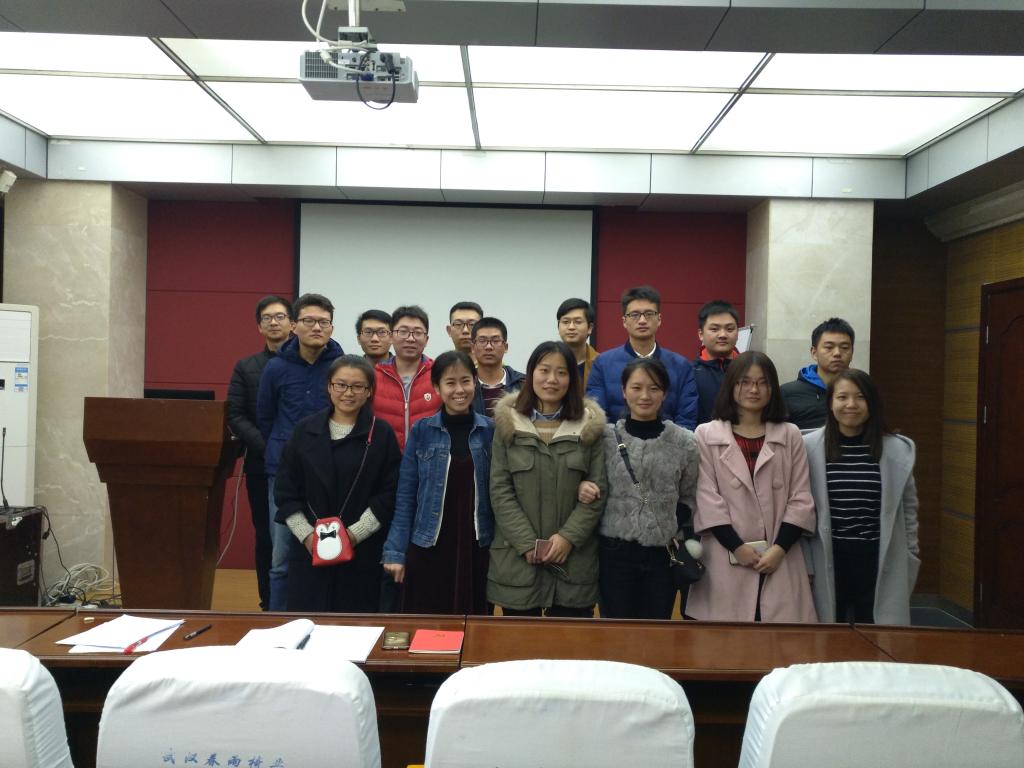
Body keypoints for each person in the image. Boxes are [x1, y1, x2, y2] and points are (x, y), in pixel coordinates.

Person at [686, 350, 817, 623]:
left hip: (780, 556)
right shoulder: (706, 435)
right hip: (725, 556)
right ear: (731, 385)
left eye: (762, 382)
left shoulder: (790, 434)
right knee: (724, 641)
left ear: (773, 388)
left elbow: (801, 498)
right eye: (744, 382)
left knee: (781, 641)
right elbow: (707, 499)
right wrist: (737, 547)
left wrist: (779, 549)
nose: (753, 390)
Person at [488, 341, 607, 617]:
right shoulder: (509, 424)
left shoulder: (589, 426)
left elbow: (598, 491)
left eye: (561, 372)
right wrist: (527, 543)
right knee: (519, 642)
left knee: (570, 642)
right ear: (531, 374)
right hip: (518, 561)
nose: (552, 379)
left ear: (572, 379)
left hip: (573, 563)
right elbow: (500, 490)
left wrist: (567, 538)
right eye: (544, 370)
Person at [274, 355, 401, 613]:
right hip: (309, 551)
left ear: (369, 391)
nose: (348, 393)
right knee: (309, 622)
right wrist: (308, 536)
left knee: (356, 624)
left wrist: (353, 535)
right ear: (329, 387)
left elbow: (389, 493)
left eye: (357, 386)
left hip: (362, 550)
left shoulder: (381, 434)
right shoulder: (304, 430)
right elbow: (286, 490)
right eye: (341, 385)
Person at [578, 358, 699, 620]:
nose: (645, 396)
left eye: (654, 388)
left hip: (662, 554)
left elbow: (689, 495)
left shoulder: (685, 442)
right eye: (636, 387)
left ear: (665, 393)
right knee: (616, 630)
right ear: (623, 391)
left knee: (656, 630)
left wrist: (669, 523)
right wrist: (583, 486)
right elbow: (585, 478)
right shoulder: (604, 438)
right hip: (614, 553)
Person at [803, 369, 920, 625]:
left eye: (860, 397)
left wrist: (911, 554)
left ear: (872, 403)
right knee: (828, 637)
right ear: (830, 403)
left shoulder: (897, 449)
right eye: (842, 397)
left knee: (878, 637)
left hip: (878, 556)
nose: (851, 404)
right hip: (828, 557)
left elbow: (909, 509)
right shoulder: (808, 447)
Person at [382, 351, 495, 615]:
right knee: (428, 624)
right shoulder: (422, 431)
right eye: (450, 383)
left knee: (474, 623)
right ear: (436, 387)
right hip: (429, 543)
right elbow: (406, 495)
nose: (459, 390)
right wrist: (396, 551)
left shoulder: (491, 431)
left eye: (465, 381)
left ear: (475, 382)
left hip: (477, 544)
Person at [256, 293, 344, 611]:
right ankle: (277, 623)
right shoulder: (276, 368)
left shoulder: (341, 367)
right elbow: (265, 418)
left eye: (323, 322)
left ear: (331, 327)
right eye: (309, 321)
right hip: (284, 474)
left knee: (330, 551)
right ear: (294, 325)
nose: (316, 328)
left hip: (331, 472)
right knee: (281, 559)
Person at [226, 295, 294, 610]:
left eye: (280, 316)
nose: (274, 322)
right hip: (261, 464)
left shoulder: (304, 364)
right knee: (267, 536)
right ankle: (268, 602)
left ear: (292, 323)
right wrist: (269, 447)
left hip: (305, 464)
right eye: (267, 318)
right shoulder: (247, 367)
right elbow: (235, 414)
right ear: (259, 326)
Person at [586, 285, 698, 430]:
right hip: (616, 442)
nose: (642, 320)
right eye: (635, 315)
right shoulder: (602, 363)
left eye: (649, 314)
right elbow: (597, 417)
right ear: (624, 321)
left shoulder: (681, 366)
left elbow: (686, 419)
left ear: (659, 319)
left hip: (669, 443)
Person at [374, 305, 435, 452]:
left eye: (417, 333)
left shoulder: (439, 374)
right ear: (391, 336)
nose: (410, 338)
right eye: (403, 332)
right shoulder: (374, 377)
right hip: (386, 461)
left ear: (426, 339)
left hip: (428, 460)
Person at [781, 318, 856, 430]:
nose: (837, 353)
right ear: (814, 352)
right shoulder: (787, 393)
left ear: (852, 352)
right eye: (829, 347)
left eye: (844, 348)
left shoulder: (862, 390)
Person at [693, 300, 740, 426]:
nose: (723, 335)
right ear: (700, 334)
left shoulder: (749, 371)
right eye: (714, 329)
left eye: (730, 329)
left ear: (738, 333)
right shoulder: (689, 373)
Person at [470, 316, 524, 418]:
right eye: (482, 341)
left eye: (495, 341)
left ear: (506, 347)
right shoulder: (465, 386)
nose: (489, 347)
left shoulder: (523, 384)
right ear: (472, 347)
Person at [556, 298, 599, 389]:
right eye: (565, 322)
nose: (571, 327)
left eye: (578, 322)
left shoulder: (600, 363)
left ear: (590, 328)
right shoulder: (546, 361)